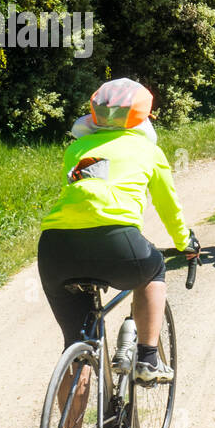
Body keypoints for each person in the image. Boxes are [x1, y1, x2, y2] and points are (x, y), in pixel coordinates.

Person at [38, 78, 199, 388]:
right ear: (144, 117)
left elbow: (82, 197)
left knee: (78, 346)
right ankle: (148, 359)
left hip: (56, 247)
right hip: (117, 243)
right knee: (153, 270)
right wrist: (184, 242)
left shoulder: (76, 149)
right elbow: (168, 206)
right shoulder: (148, 150)